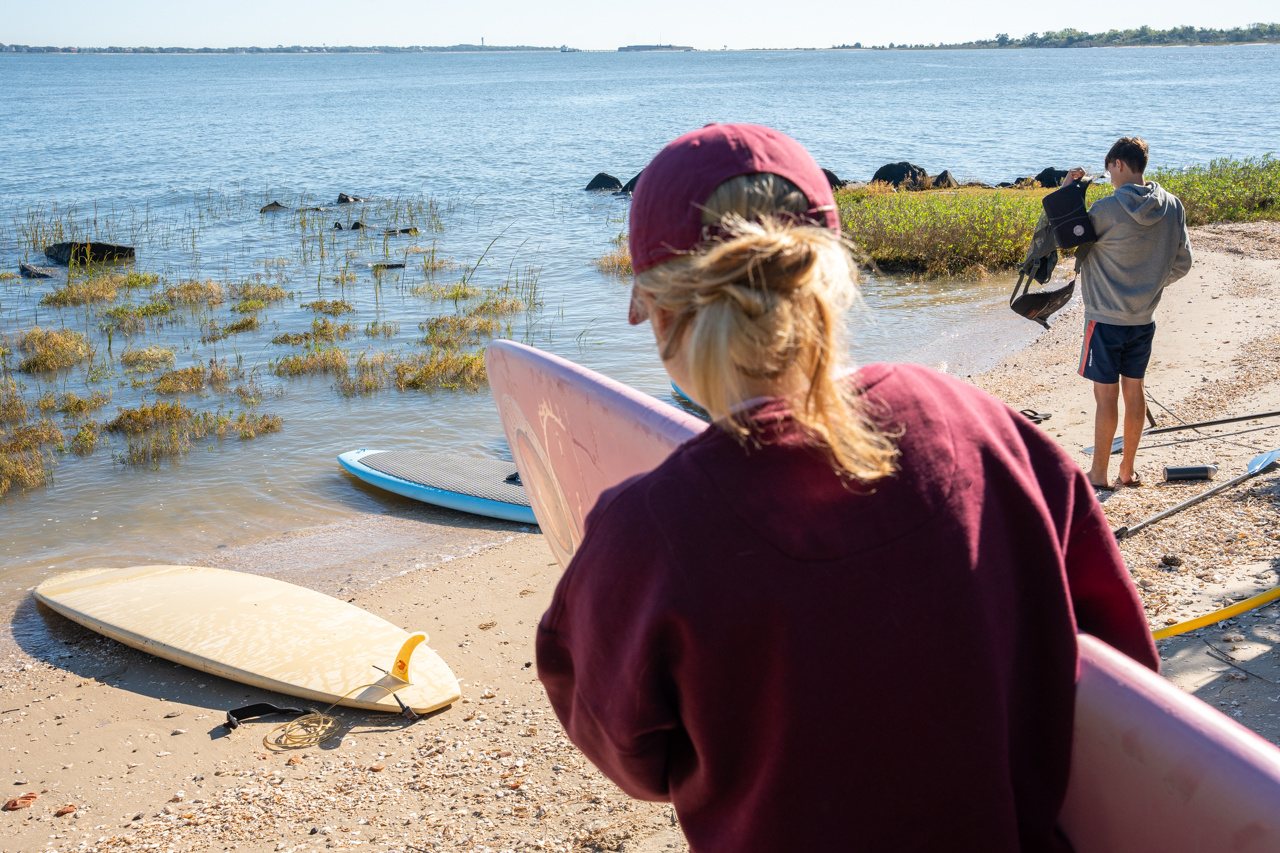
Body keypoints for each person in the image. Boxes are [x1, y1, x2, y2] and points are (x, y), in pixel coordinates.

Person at [536, 124, 1158, 853]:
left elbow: (626, 754)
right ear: (832, 275)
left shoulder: (647, 530)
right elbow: (1123, 671)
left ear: (658, 310)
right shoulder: (980, 425)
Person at [1063, 137, 1192, 490]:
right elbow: (1184, 262)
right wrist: (1150, 282)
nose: (1110, 178)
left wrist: (1066, 192)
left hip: (1105, 318)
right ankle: (1127, 470)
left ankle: (1099, 474)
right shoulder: (1173, 206)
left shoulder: (1106, 210)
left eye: (1108, 172)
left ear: (1118, 164)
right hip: (1143, 318)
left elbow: (1065, 239)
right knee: (1135, 389)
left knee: (1106, 396)